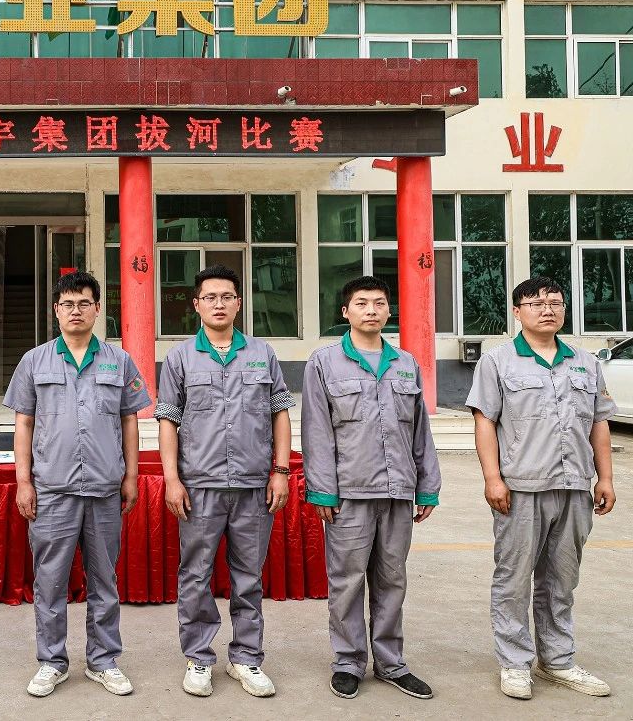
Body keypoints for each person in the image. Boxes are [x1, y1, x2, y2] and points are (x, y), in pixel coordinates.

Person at [466, 276, 616, 701]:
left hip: (574, 486)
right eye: (535, 303)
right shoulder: (498, 361)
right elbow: (485, 422)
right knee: (513, 579)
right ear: (517, 312)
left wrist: (605, 478)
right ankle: (515, 663)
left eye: (555, 302)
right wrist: (492, 478)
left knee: (562, 580)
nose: (547, 309)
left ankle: (557, 660)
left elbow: (599, 423)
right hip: (521, 488)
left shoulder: (585, 363)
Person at [4, 271, 149, 698]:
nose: (76, 311)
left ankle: (104, 661)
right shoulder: (35, 361)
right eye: (67, 304)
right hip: (52, 490)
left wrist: (131, 475)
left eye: (84, 303)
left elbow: (129, 420)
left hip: (104, 489)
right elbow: (24, 423)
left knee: (104, 581)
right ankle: (52, 662)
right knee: (49, 582)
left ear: (98, 309)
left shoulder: (119, 362)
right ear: (56, 310)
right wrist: (23, 481)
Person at [155, 266, 293, 699]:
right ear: (196, 304)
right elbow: (168, 421)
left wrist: (281, 470)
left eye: (227, 296)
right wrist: (172, 479)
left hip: (253, 485)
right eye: (210, 297)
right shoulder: (179, 358)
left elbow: (280, 412)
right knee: (195, 575)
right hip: (200, 486)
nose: (219, 304)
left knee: (249, 576)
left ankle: (246, 658)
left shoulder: (262, 353)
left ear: (238, 303)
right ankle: (198, 657)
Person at [301, 275, 440, 701]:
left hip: (398, 492)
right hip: (350, 494)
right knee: (346, 581)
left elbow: (420, 431)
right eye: (362, 303)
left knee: (392, 579)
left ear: (388, 310)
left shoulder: (405, 363)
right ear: (345, 312)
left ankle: (391, 662)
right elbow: (316, 430)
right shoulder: (323, 363)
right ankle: (348, 661)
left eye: (379, 302)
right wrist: (322, 491)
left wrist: (427, 486)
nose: (372, 310)